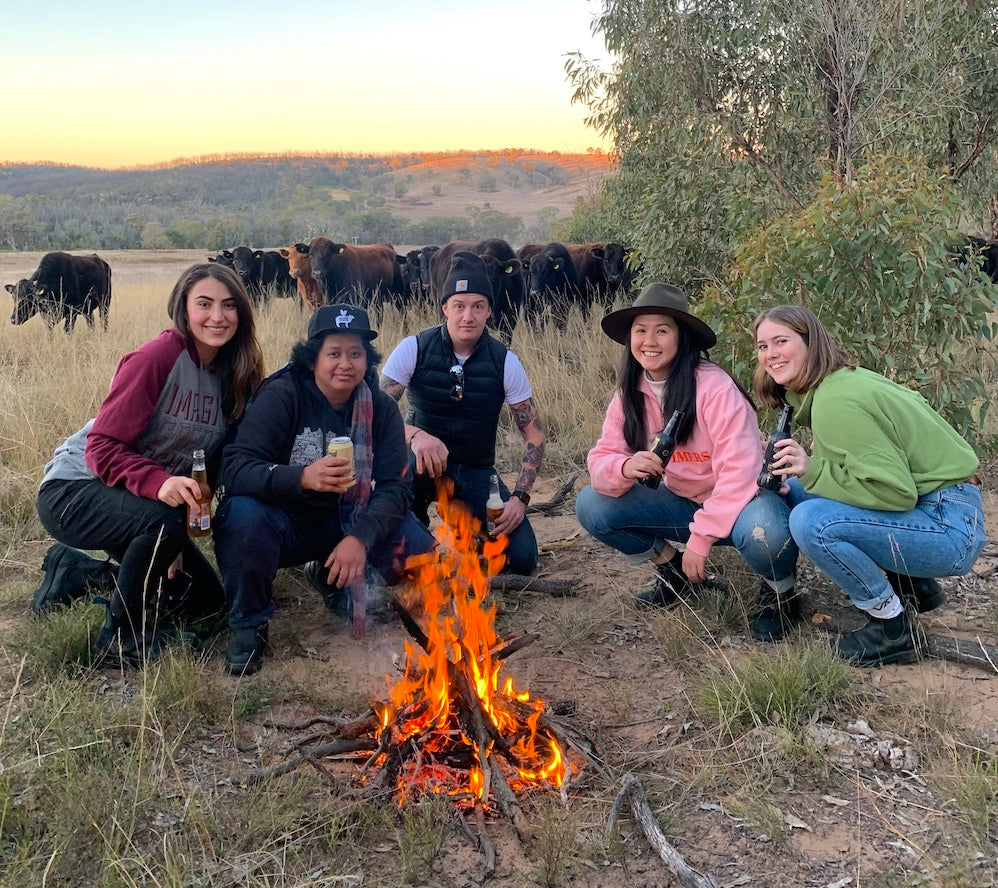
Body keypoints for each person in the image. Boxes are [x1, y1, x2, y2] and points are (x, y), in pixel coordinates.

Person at [35, 262, 266, 668]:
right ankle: (120, 641)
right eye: (205, 304)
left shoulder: (234, 373)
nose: (217, 316)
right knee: (163, 524)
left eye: (229, 305)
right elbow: (102, 447)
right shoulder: (158, 356)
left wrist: (173, 538)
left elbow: (210, 463)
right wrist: (160, 495)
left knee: (206, 603)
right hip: (74, 489)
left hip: (142, 502)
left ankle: (75, 571)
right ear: (183, 307)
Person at [754, 304, 987, 666]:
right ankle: (914, 585)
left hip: (949, 526)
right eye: (762, 346)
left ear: (811, 342)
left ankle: (890, 627)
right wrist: (810, 472)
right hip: (948, 504)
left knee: (810, 521)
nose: (770, 355)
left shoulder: (836, 400)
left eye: (781, 341)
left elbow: (895, 492)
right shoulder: (842, 380)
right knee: (800, 492)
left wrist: (813, 469)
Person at [214, 304, 436, 676]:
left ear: (368, 360)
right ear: (312, 358)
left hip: (350, 517)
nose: (344, 364)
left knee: (417, 550)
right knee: (241, 515)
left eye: (355, 353)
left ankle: (331, 577)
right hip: (288, 521)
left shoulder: (379, 407)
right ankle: (249, 622)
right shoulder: (283, 395)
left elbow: (397, 488)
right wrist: (300, 477)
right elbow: (235, 466)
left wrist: (361, 539)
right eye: (333, 353)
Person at [575, 283, 800, 640]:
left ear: (682, 339)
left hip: (743, 502)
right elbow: (602, 457)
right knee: (593, 504)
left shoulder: (713, 387)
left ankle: (782, 592)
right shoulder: (630, 392)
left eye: (662, 330)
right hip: (685, 500)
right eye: (640, 330)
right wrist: (623, 467)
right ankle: (673, 573)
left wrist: (700, 539)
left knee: (766, 532)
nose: (649, 341)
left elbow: (739, 474)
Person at [380, 250, 544, 575]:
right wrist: (416, 436)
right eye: (459, 305)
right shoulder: (413, 348)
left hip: (474, 469)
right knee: (398, 558)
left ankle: (468, 531)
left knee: (523, 558)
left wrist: (520, 499)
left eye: (477, 306)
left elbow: (534, 434)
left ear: (489, 312)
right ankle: (412, 529)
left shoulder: (504, 361)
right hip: (421, 464)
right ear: (444, 308)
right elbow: (375, 413)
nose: (467, 316)